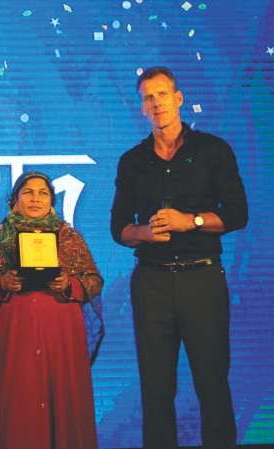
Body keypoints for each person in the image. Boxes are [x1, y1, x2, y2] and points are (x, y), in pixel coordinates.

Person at [110, 66, 248, 448]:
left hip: (202, 279)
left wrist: (193, 221)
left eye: (162, 95)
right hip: (151, 281)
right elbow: (119, 227)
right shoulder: (132, 161)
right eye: (147, 98)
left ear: (178, 98)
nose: (156, 104)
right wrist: (144, 232)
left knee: (212, 385)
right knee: (155, 391)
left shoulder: (212, 150)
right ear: (141, 108)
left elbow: (238, 213)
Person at [0, 171, 104, 449]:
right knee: (18, 402)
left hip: (62, 333)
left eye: (43, 193)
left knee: (65, 402)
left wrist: (69, 283)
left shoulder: (69, 237)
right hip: (15, 335)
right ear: (14, 201)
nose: (36, 198)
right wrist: (1, 283)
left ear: (52, 201)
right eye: (28, 192)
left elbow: (94, 281)